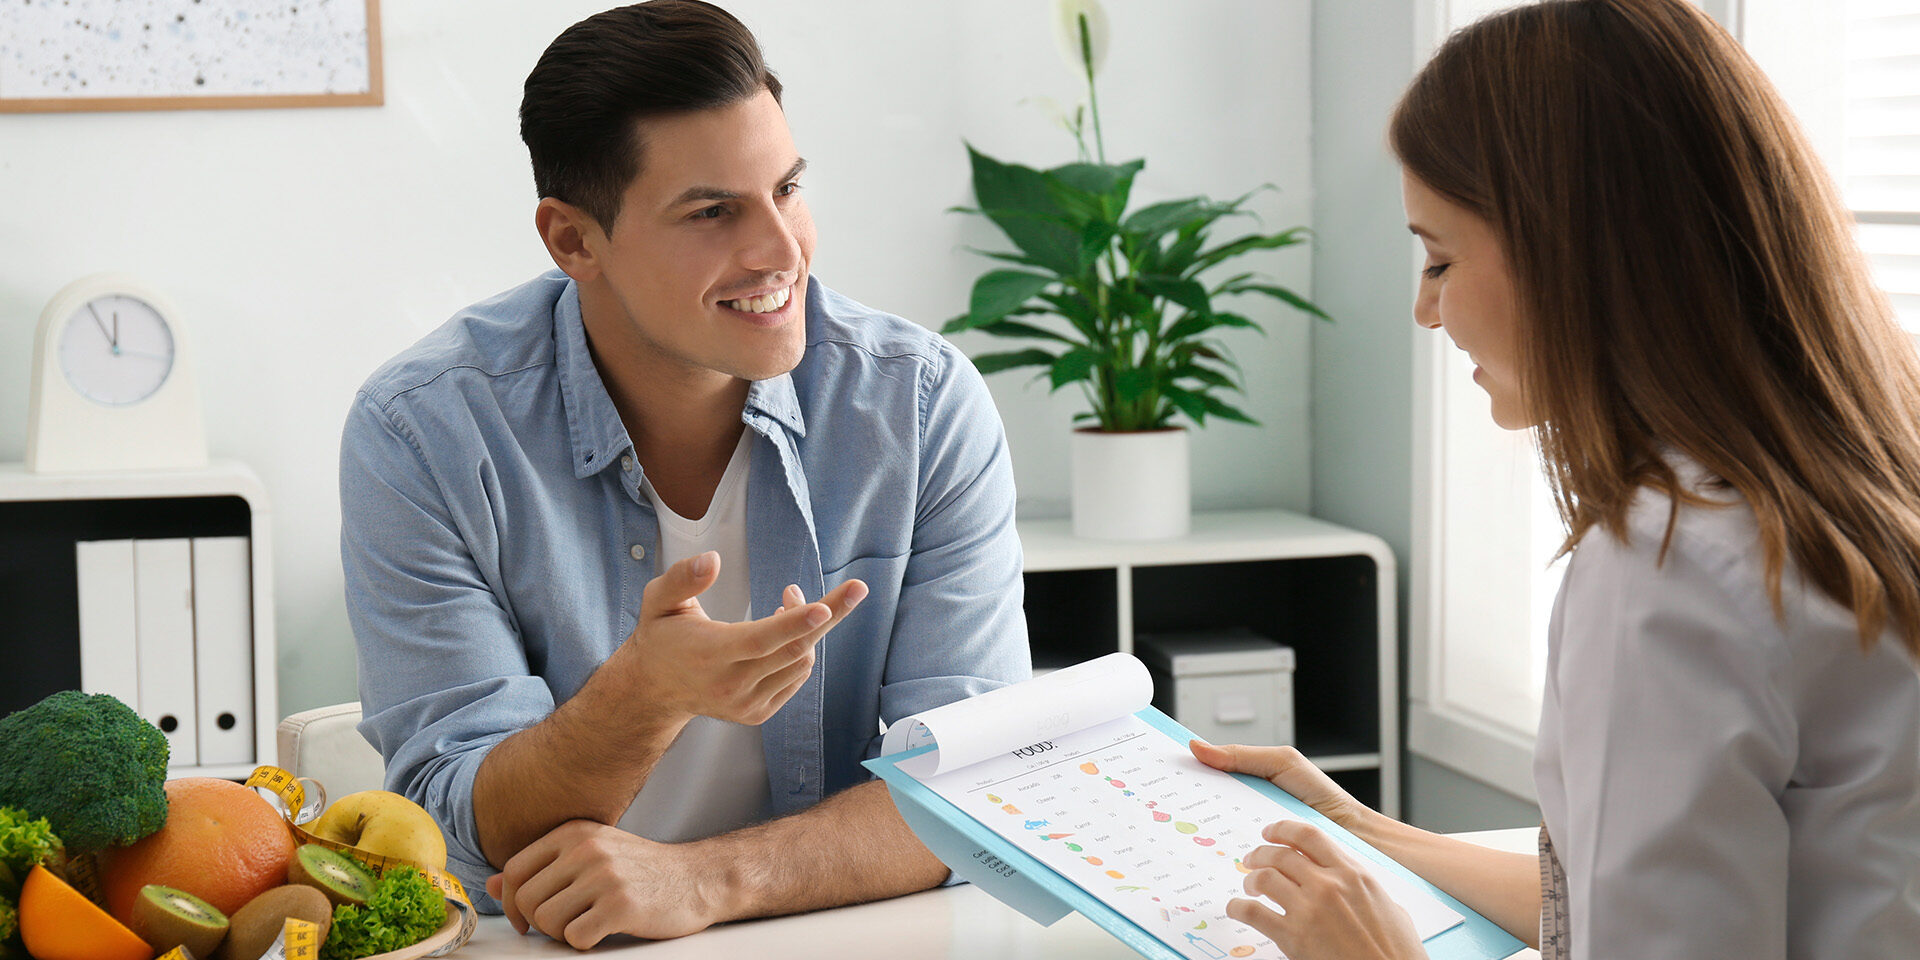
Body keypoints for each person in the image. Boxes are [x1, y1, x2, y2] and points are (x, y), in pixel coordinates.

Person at [1193, 1, 1920, 957]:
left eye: (1440, 258)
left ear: (1567, 248)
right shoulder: (1846, 487)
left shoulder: (1671, 567)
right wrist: (1365, 832)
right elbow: (1644, 897)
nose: (1426, 308)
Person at [337, 1, 1028, 948]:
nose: (782, 252)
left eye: (787, 189)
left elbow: (977, 791)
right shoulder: (423, 434)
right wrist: (645, 693)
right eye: (713, 212)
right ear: (573, 241)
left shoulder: (920, 406)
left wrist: (706, 880)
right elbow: (471, 818)